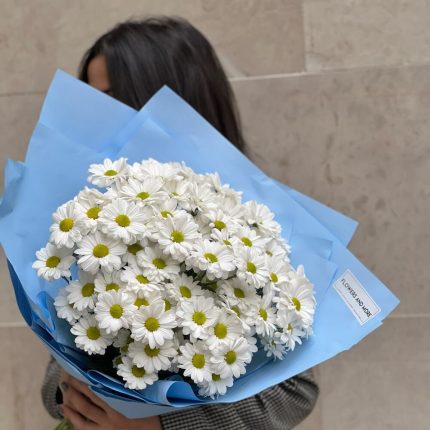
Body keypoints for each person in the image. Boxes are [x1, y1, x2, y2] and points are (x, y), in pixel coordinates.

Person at [41, 16, 319, 430]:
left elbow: (295, 392)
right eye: (89, 102)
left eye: (111, 100)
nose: (94, 118)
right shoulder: (98, 223)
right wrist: (71, 390)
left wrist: (162, 426)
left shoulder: (254, 232)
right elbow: (56, 366)